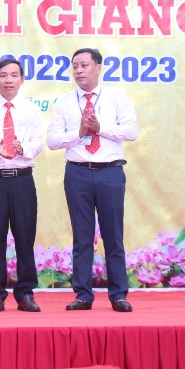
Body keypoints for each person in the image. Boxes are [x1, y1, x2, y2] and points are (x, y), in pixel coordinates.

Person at [47, 47, 138, 313]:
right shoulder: (64, 102)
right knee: (82, 237)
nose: (79, 70)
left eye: (84, 65)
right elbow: (53, 141)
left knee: (113, 236)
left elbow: (131, 131)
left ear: (98, 68)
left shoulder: (117, 98)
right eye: (75, 66)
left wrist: (101, 129)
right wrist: (79, 133)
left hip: (110, 172)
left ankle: (118, 295)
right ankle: (83, 295)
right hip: (77, 172)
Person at [0, 58, 44, 313]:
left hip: (23, 180)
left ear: (22, 80)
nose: (9, 80)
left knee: (25, 238)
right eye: (3, 75)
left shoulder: (32, 110)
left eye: (14, 75)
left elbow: (38, 143)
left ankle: (25, 294)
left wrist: (23, 148)